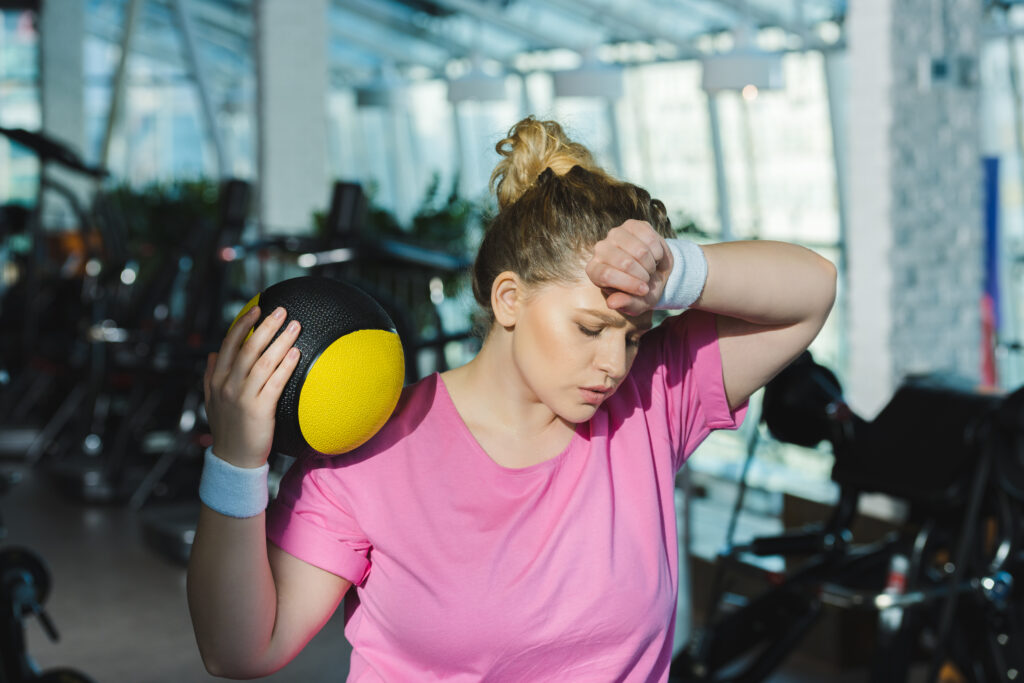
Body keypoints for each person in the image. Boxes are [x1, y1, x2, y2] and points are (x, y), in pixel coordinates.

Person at [187, 117, 837, 681]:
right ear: (509, 299)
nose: (612, 364)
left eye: (633, 337)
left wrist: (676, 269)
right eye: (589, 328)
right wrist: (237, 463)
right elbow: (240, 648)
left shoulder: (651, 407)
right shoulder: (371, 453)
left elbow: (812, 293)